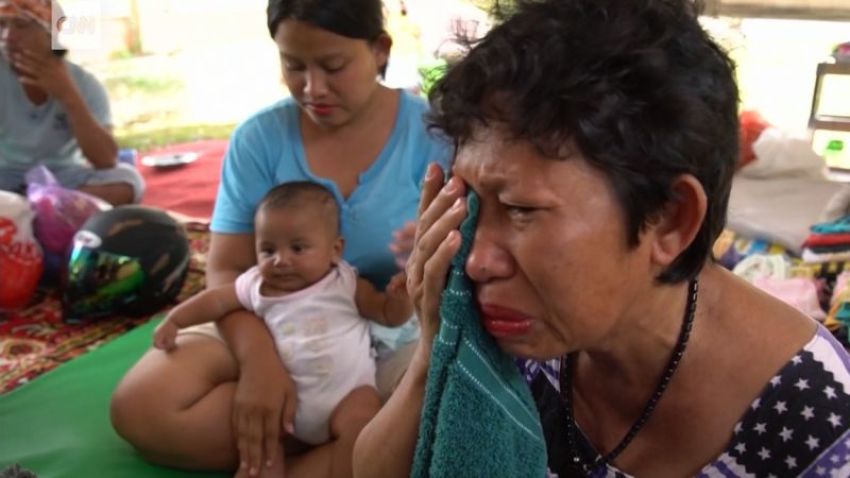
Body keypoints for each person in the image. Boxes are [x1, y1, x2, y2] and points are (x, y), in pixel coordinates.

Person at [353, 0, 850, 477]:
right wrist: (436, 348)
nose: (477, 261)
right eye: (473, 204)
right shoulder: (515, 328)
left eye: (522, 210)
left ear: (670, 219)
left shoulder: (818, 429)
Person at [109, 0, 451, 476]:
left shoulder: (433, 134)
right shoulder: (259, 139)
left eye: (333, 66)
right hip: (268, 314)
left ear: (380, 49)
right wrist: (260, 363)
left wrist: (434, 251)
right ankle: (335, 446)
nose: (313, 88)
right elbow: (227, 268)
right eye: (294, 66)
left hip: (387, 335)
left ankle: (304, 447)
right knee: (142, 407)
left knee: (445, 413)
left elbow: (483, 251)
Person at [153, 181, 412, 478]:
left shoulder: (345, 282)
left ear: (334, 250)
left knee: (361, 430)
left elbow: (387, 315)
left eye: (298, 248)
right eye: (268, 250)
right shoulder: (255, 286)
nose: (281, 260)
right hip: (285, 402)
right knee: (260, 449)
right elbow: (216, 301)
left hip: (348, 394)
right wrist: (176, 320)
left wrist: (401, 298)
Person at [0, 0, 143, 206]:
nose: (8, 37)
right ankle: (48, 210)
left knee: (128, 181)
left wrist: (68, 95)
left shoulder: (83, 83)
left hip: (64, 178)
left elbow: (105, 160)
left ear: (51, 32)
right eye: (2, 25)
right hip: (6, 178)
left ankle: (30, 209)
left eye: (21, 25)